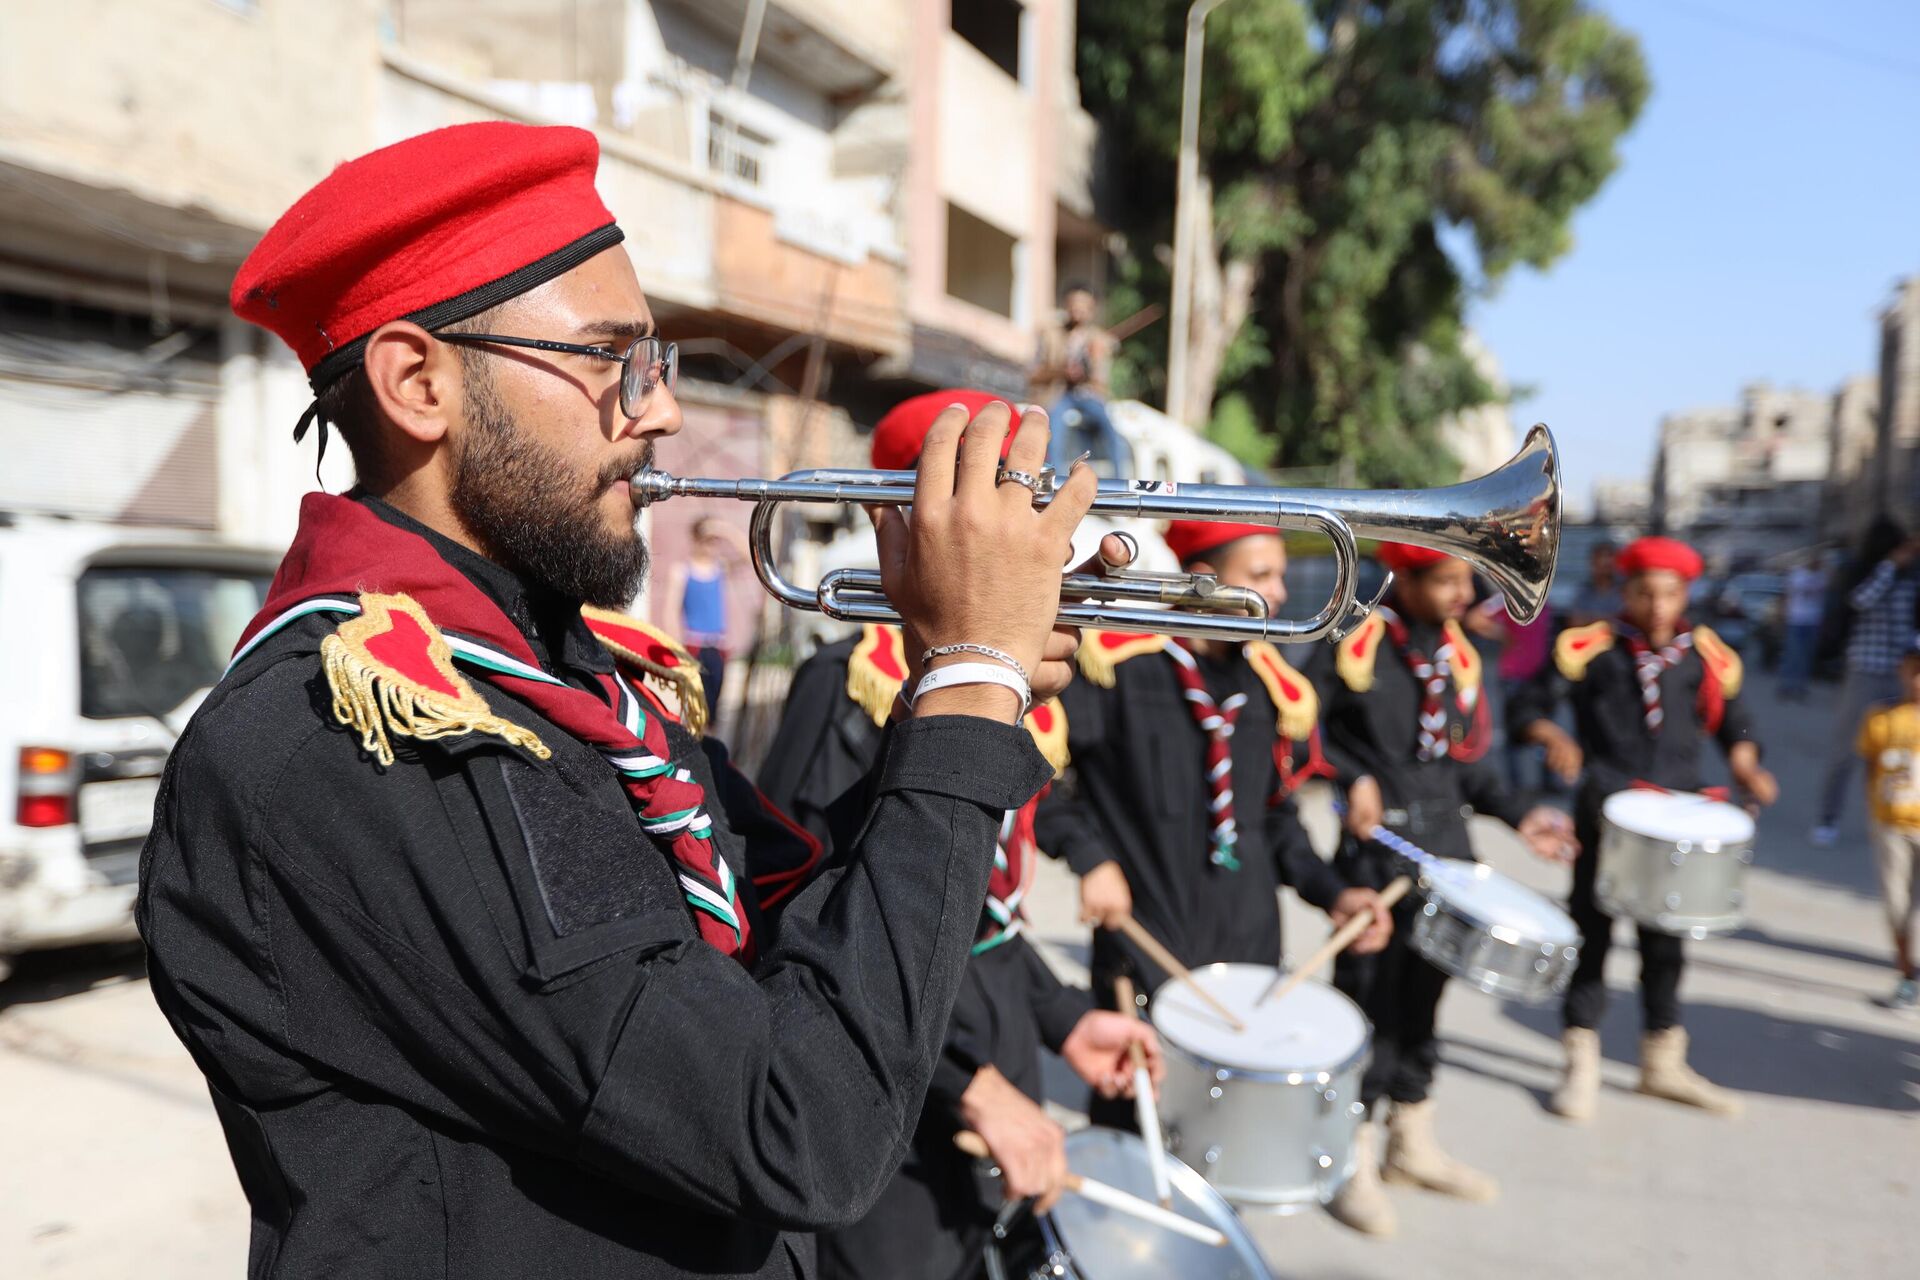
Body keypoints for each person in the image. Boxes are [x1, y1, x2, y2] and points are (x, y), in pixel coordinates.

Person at [135, 122, 1106, 1279]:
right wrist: (964, 695)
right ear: (418, 382)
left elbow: (796, 946)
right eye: (614, 361)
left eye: (658, 366)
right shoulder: (349, 738)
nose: (660, 415)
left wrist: (954, 705)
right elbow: (796, 1126)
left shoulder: (579, 675)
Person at [757, 390, 1164, 1280]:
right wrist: (973, 1089)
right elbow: (810, 922)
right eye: (1018, 498)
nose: (1047, 529)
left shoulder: (1009, 686)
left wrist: (1061, 1020)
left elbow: (981, 908)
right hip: (889, 1118)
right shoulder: (847, 685)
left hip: (989, 1063)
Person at [1033, 523, 1394, 1122]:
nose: (1278, 592)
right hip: (1147, 941)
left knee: (1228, 1122)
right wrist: (1091, 861)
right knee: (1136, 1119)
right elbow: (1047, 786)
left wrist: (1334, 894)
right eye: (1260, 576)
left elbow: (1275, 820)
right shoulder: (1117, 667)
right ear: (1201, 576)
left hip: (1249, 948)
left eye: (1278, 576)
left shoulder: (1269, 686)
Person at [1314, 543, 1575, 1238]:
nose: (1464, 594)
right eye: (1450, 580)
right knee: (1366, 1002)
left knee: (1423, 1004)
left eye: (1468, 580)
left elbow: (1469, 769)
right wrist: (1347, 776)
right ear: (1409, 579)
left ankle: (1412, 1143)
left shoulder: (1462, 656)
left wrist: (1526, 818)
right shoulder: (1353, 639)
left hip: (1447, 861)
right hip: (1377, 860)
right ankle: (1350, 1160)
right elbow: (1303, 726)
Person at [1513, 535, 1777, 1122]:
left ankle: (1663, 1062)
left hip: (1675, 819)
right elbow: (1527, 707)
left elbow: (1735, 723)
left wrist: (1745, 764)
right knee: (1593, 936)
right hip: (1605, 813)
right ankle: (1579, 1061)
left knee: (1666, 946)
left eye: (1669, 594)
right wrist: (1553, 736)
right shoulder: (1593, 650)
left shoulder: (1705, 656)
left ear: (1686, 594)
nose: (1656, 606)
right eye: (1643, 593)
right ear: (1624, 592)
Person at [1814, 522, 1920, 846]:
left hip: (1901, 675)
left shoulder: (1913, 580)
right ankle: (1827, 818)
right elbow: (1860, 601)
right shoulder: (1865, 573)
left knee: (1895, 753)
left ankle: (1887, 819)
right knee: (1845, 751)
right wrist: (1889, 567)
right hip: (1865, 670)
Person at [1855, 639, 1920, 1012]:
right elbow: (1869, 768)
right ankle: (1906, 973)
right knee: (1898, 905)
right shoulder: (1881, 718)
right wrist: (1874, 817)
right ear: (1902, 670)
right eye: (1914, 670)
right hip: (1892, 826)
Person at [1029, 282, 1128, 476]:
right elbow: (1033, 375)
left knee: (1112, 433)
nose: (1078, 310)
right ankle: (1053, 479)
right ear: (1067, 306)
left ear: (1091, 310)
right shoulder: (1050, 335)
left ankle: (1120, 480)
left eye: (1084, 306)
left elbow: (1102, 382)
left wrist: (1095, 361)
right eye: (1074, 304)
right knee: (1054, 432)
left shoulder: (1098, 339)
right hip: (1059, 395)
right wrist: (1061, 371)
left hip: (1088, 395)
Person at [666, 515, 748, 714]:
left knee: (715, 708)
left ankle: (709, 744)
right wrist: (676, 647)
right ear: (697, 540)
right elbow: (670, 611)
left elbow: (748, 556)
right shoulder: (682, 571)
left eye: (715, 541)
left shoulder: (720, 568)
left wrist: (724, 529)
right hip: (694, 645)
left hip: (717, 646)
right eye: (708, 540)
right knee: (695, 705)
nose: (712, 546)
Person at [1778, 552, 1829, 701]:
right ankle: (1786, 685)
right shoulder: (1798, 575)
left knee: (1807, 656)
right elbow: (1786, 595)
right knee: (1793, 654)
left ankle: (1800, 687)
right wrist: (1783, 614)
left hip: (1812, 621)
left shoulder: (1821, 577)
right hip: (1796, 620)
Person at [1568, 539, 1622, 626]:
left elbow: (1626, 621)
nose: (1603, 566)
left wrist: (1591, 619)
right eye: (1599, 562)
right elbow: (1575, 621)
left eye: (1607, 565)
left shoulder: (1624, 591)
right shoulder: (1584, 591)